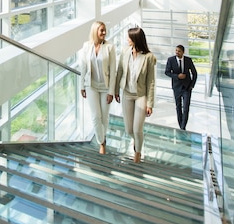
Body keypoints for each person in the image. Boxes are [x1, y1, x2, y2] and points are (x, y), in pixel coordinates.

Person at [115, 27, 156, 163]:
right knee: (128, 130)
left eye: (129, 37)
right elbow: (119, 71)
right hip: (126, 94)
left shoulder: (148, 57)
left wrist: (150, 104)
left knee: (137, 130)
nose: (127, 40)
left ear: (136, 39)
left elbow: (151, 82)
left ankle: (137, 152)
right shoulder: (125, 52)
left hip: (140, 96)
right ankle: (136, 141)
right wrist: (115, 90)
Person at [80, 21, 116, 154]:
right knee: (96, 116)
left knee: (104, 117)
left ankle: (102, 137)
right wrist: (82, 86)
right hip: (91, 85)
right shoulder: (86, 46)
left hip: (106, 87)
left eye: (105, 30)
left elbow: (113, 71)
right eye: (102, 30)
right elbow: (83, 67)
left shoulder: (110, 47)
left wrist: (111, 91)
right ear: (95, 31)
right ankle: (102, 142)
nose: (104, 33)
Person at [164, 44, 197, 130]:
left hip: (187, 87)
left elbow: (195, 73)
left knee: (186, 108)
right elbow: (167, 72)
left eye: (179, 51)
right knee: (178, 107)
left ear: (183, 52)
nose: (177, 53)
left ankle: (183, 126)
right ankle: (181, 127)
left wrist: (192, 85)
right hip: (177, 87)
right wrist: (177, 76)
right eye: (176, 51)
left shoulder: (188, 60)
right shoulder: (171, 60)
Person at [218, 49, 234, 140]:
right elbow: (217, 77)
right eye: (232, 56)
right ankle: (232, 134)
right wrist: (221, 87)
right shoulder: (223, 65)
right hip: (226, 92)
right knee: (228, 113)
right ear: (229, 57)